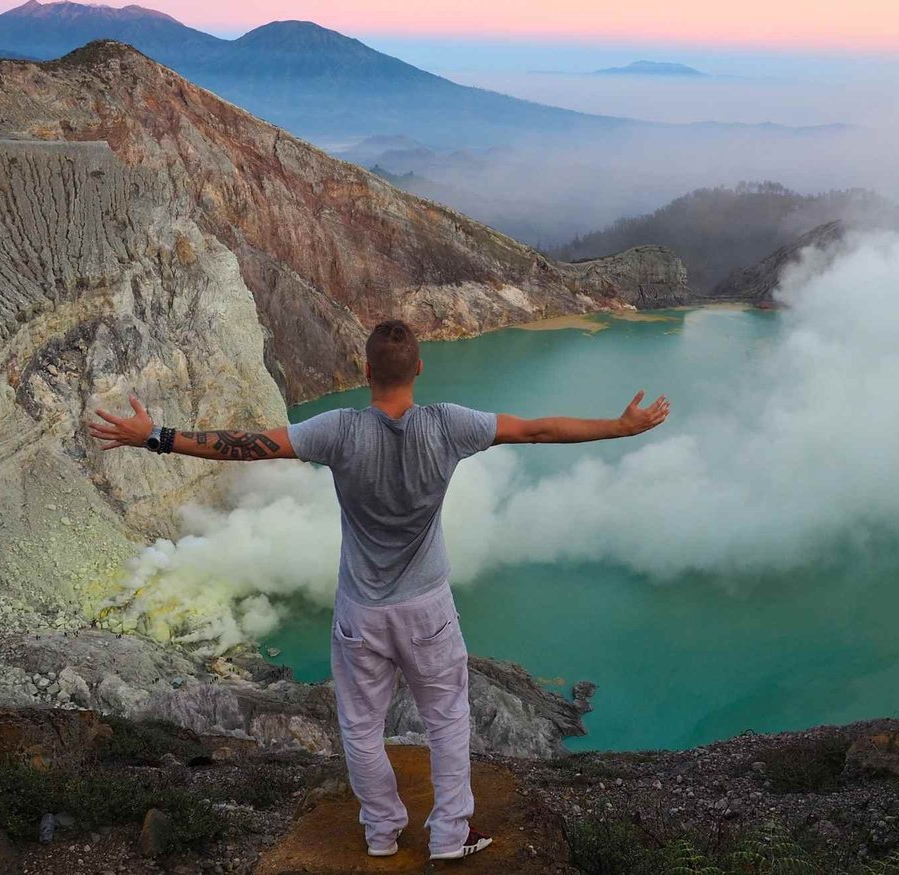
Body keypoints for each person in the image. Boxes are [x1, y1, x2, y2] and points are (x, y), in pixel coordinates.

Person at [87, 318, 670, 861]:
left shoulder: (338, 431)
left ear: (366, 372)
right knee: (447, 721)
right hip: (427, 609)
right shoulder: (449, 425)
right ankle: (450, 835)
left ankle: (382, 832)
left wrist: (155, 436)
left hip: (360, 612)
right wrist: (620, 427)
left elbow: (247, 444)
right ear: (419, 370)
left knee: (361, 728)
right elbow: (538, 430)